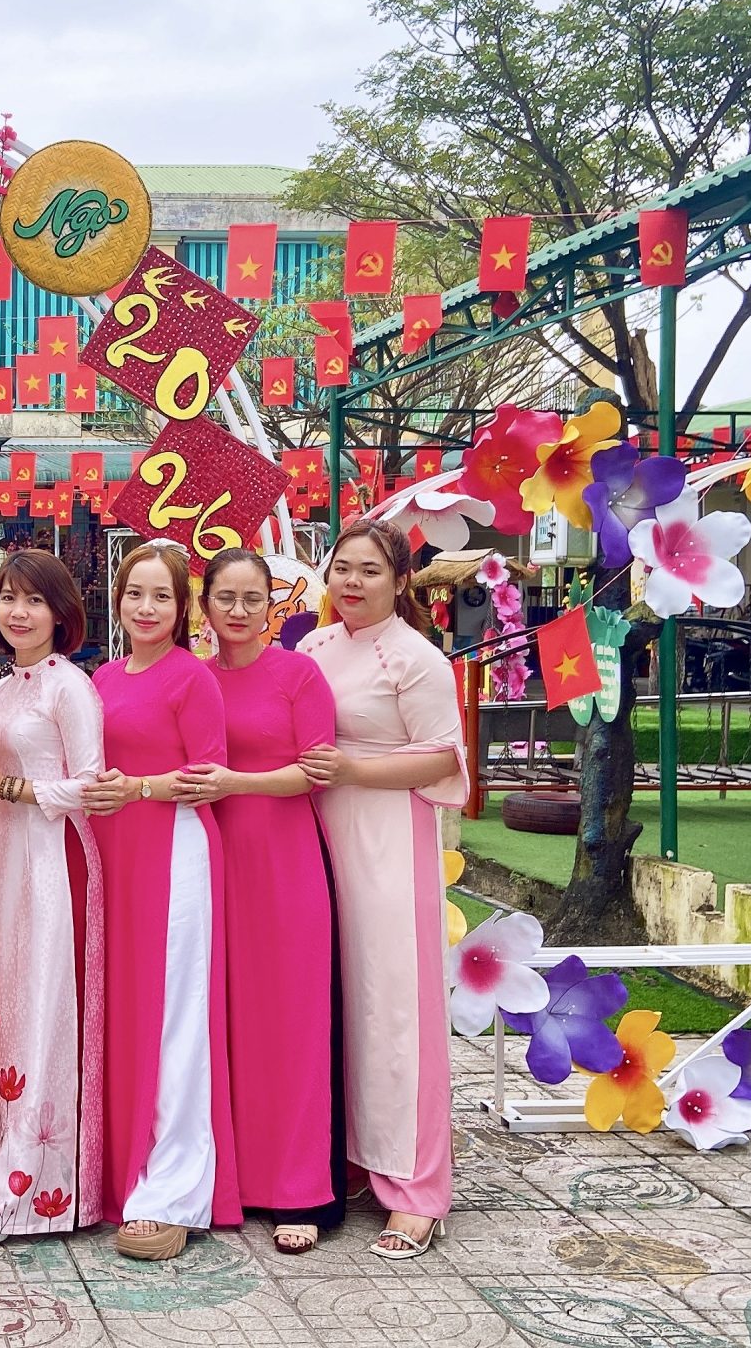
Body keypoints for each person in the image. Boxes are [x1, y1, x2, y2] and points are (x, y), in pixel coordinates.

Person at [296, 518, 466, 1261]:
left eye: (370, 571)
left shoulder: (416, 658)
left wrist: (354, 769)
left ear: (400, 581)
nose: (353, 583)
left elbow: (443, 758)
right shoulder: (314, 648)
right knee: (339, 1000)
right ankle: (355, 1157)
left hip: (389, 838)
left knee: (395, 1006)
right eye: (342, 568)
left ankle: (417, 1189)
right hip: (317, 834)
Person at [177, 546, 343, 1255]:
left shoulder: (298, 674)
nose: (239, 611)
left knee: (291, 1024)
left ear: (273, 606)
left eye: (253, 598)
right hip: (209, 865)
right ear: (204, 605)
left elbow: (316, 771)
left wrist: (235, 783)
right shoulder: (192, 677)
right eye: (226, 598)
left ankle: (299, 1188)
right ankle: (228, 1178)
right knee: (223, 1022)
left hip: (285, 863)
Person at [83, 540, 241, 1261]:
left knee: (176, 1012)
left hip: (174, 849)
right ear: (117, 600)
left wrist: (140, 788)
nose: (145, 608)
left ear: (183, 609)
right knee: (121, 1010)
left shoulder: (192, 678)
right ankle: (116, 1166)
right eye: (134, 593)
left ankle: (172, 1189)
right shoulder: (103, 678)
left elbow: (209, 774)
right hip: (114, 854)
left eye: (162, 596)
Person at [0, 549, 106, 1249]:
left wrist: (9, 787)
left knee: (45, 1009)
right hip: (11, 858)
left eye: (34, 600)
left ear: (61, 612)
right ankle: (3, 1163)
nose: (18, 612)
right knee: (9, 1002)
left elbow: (93, 785)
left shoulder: (69, 686)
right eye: (8, 598)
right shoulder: (9, 686)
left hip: (56, 861)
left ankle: (32, 1195)